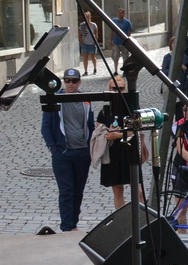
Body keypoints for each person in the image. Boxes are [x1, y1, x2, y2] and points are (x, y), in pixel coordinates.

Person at [42, 68, 97, 232]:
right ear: (63, 82)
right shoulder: (54, 100)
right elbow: (45, 127)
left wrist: (89, 146)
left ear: (79, 82)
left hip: (82, 152)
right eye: (67, 80)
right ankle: (67, 226)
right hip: (63, 154)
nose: (70, 84)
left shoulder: (86, 101)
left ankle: (73, 223)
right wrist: (53, 147)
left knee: (78, 191)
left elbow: (90, 125)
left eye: (74, 81)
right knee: (67, 191)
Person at [95, 75, 149, 209]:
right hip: (113, 153)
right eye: (114, 88)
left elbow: (137, 130)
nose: (117, 91)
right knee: (118, 191)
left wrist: (117, 135)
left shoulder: (132, 107)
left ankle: (140, 221)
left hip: (130, 151)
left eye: (121, 88)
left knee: (139, 192)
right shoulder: (105, 110)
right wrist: (108, 132)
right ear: (109, 89)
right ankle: (121, 220)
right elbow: (98, 130)